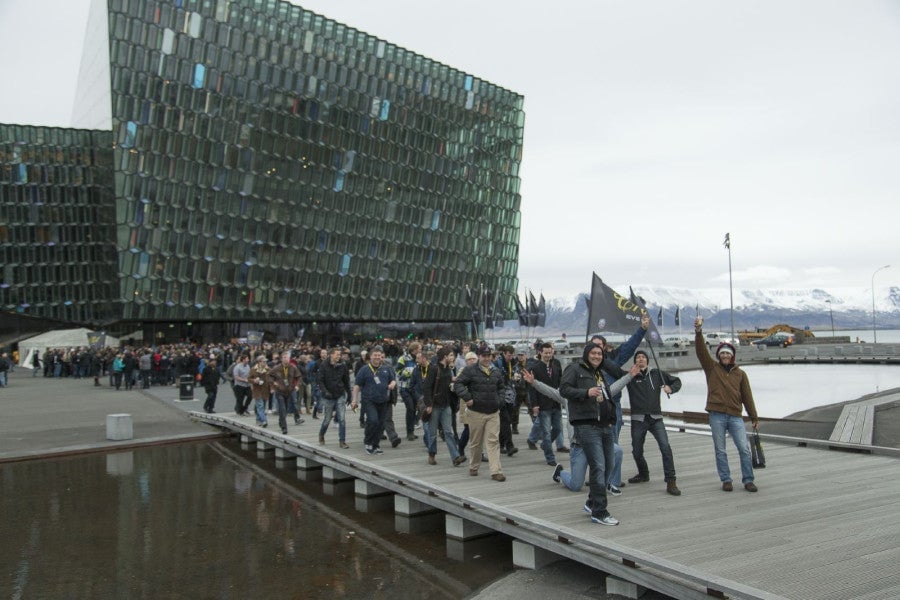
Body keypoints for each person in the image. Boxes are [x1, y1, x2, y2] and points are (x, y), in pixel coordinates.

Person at [522, 366, 637, 494]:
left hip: (597, 440)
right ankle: (560, 472)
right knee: (576, 485)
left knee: (617, 451)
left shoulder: (597, 393)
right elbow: (550, 391)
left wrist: (629, 376)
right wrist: (534, 382)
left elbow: (614, 388)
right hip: (579, 445)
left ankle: (610, 483)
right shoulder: (567, 397)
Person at [694, 317, 759, 492]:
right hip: (716, 415)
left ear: (732, 356)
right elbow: (701, 352)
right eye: (722, 353)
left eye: (727, 353)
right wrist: (698, 332)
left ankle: (748, 480)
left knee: (744, 449)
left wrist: (753, 416)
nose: (725, 356)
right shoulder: (711, 368)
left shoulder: (741, 374)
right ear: (719, 355)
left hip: (736, 416)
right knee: (720, 450)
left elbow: (747, 397)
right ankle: (726, 480)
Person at [559, 343, 619, 526]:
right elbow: (564, 390)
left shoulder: (599, 373)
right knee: (598, 466)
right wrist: (586, 392)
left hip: (605, 425)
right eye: (593, 353)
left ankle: (592, 501)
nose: (597, 356)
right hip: (587, 425)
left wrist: (611, 417)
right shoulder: (575, 369)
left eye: (600, 353)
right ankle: (599, 512)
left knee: (609, 464)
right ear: (586, 354)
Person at [618, 350, 683, 496]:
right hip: (638, 419)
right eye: (638, 357)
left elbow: (677, 381)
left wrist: (671, 388)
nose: (640, 359)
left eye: (643, 357)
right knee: (637, 451)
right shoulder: (630, 376)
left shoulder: (656, 373)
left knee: (665, 447)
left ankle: (671, 481)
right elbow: (613, 370)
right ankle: (643, 474)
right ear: (635, 361)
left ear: (647, 360)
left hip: (656, 418)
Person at [454, 344, 506, 481]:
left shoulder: (496, 371)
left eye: (489, 356)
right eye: (484, 356)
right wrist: (467, 398)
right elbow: (458, 384)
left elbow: (501, 387)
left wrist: (500, 401)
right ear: (479, 356)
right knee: (476, 442)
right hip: (476, 412)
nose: (487, 358)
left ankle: (496, 471)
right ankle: (474, 466)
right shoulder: (470, 370)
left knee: (493, 441)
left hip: (493, 412)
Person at [423, 347, 466, 466]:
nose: (453, 357)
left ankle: (455, 457)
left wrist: (455, 382)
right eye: (451, 355)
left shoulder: (448, 369)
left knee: (448, 432)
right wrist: (429, 404)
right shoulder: (434, 369)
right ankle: (432, 454)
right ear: (445, 357)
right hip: (435, 405)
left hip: (446, 405)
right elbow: (427, 387)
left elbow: (449, 382)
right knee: (432, 433)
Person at [351, 346, 396, 456]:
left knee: (381, 424)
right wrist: (354, 400)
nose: (377, 357)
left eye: (379, 355)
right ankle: (368, 442)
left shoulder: (386, 368)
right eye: (375, 355)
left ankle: (375, 445)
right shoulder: (364, 370)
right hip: (369, 400)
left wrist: (392, 384)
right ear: (370, 357)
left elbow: (393, 380)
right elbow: (357, 385)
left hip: (383, 400)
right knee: (373, 420)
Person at [528, 342, 563, 467]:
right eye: (546, 353)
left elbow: (561, 384)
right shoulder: (535, 368)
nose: (548, 355)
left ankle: (544, 445)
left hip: (556, 404)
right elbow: (532, 388)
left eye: (550, 352)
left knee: (558, 429)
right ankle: (550, 457)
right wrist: (534, 405)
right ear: (540, 353)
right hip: (543, 405)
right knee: (546, 433)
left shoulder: (556, 367)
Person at [317, 347, 351, 448]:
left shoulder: (343, 365)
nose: (339, 356)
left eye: (340, 355)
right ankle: (321, 434)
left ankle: (342, 441)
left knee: (342, 418)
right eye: (337, 354)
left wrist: (349, 394)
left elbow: (346, 380)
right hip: (328, 396)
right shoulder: (324, 365)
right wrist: (325, 391)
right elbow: (320, 380)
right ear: (331, 355)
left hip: (340, 394)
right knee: (327, 419)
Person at [268, 351, 304, 434]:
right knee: (282, 408)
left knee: (286, 410)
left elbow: (299, 377)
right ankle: (284, 428)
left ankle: (281, 421)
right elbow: (269, 375)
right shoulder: (277, 368)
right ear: (281, 359)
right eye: (284, 358)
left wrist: (297, 385)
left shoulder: (293, 367)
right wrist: (274, 383)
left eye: (287, 358)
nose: (285, 359)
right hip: (280, 391)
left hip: (289, 391)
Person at [249, 355, 270, 428]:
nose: (265, 363)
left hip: (265, 390)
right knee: (260, 406)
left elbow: (272, 377)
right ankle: (264, 420)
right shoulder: (253, 369)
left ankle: (258, 419)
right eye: (263, 362)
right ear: (259, 362)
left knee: (263, 406)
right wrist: (254, 380)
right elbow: (248, 379)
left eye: (265, 362)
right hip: (257, 390)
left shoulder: (267, 369)